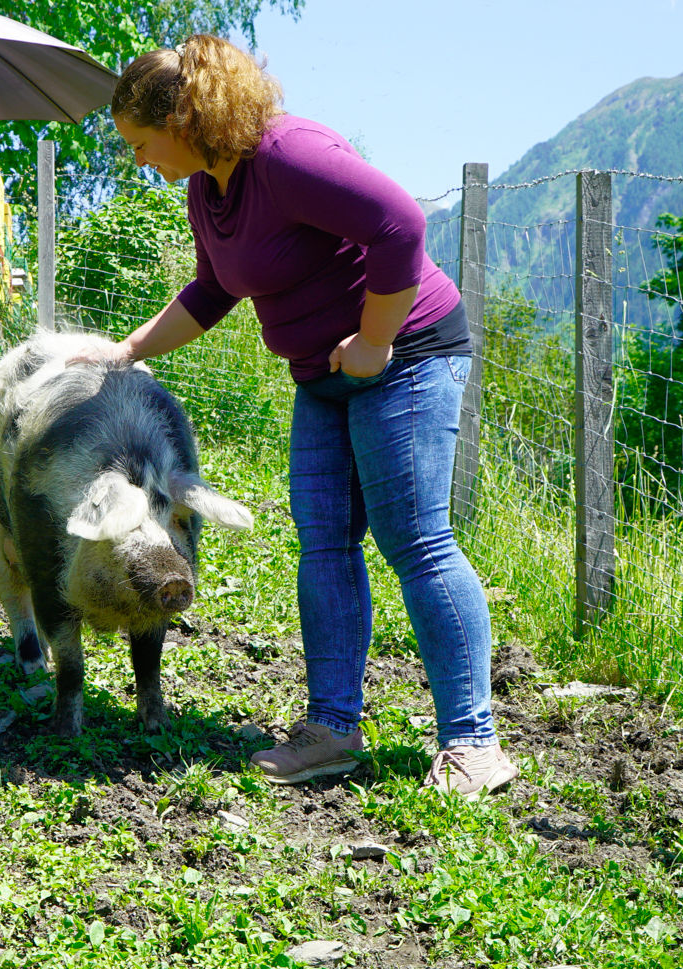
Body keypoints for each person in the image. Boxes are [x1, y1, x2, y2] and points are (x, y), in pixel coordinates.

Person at [83, 34, 519, 795]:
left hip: (407, 358)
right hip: (323, 377)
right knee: (324, 541)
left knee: (415, 540)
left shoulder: (285, 156)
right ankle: (331, 730)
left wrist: (377, 341)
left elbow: (399, 227)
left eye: (143, 143)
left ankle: (474, 743)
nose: (142, 161)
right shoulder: (208, 190)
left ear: (184, 117)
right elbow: (213, 291)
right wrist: (127, 351)